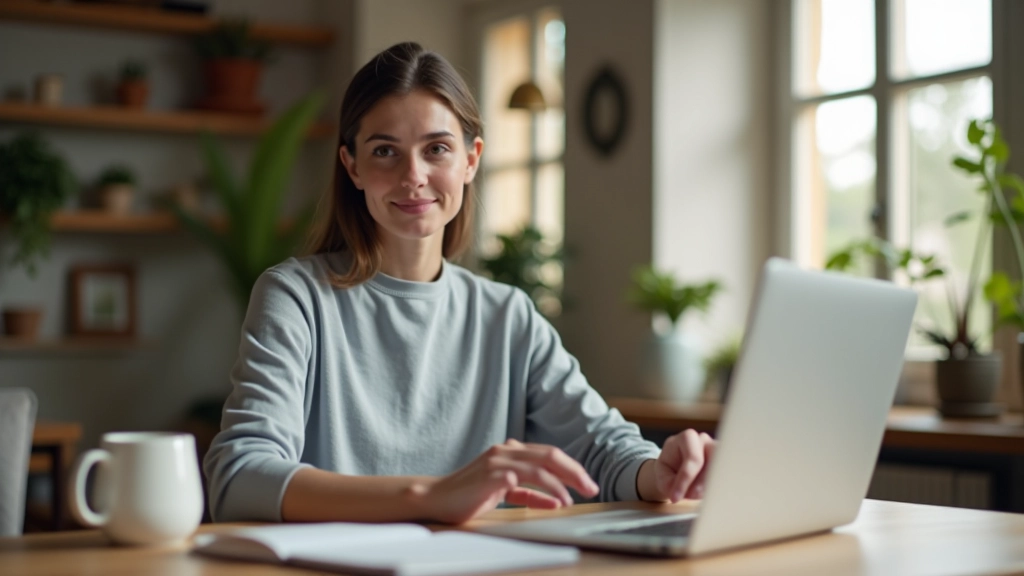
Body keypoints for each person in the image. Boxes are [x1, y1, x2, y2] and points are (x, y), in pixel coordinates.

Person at [203, 41, 716, 524]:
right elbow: (238, 477)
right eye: (385, 151)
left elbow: (604, 449)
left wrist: (659, 473)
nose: (413, 176)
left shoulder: (507, 315)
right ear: (351, 165)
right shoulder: (296, 297)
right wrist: (428, 496)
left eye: (437, 149)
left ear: (470, 160)